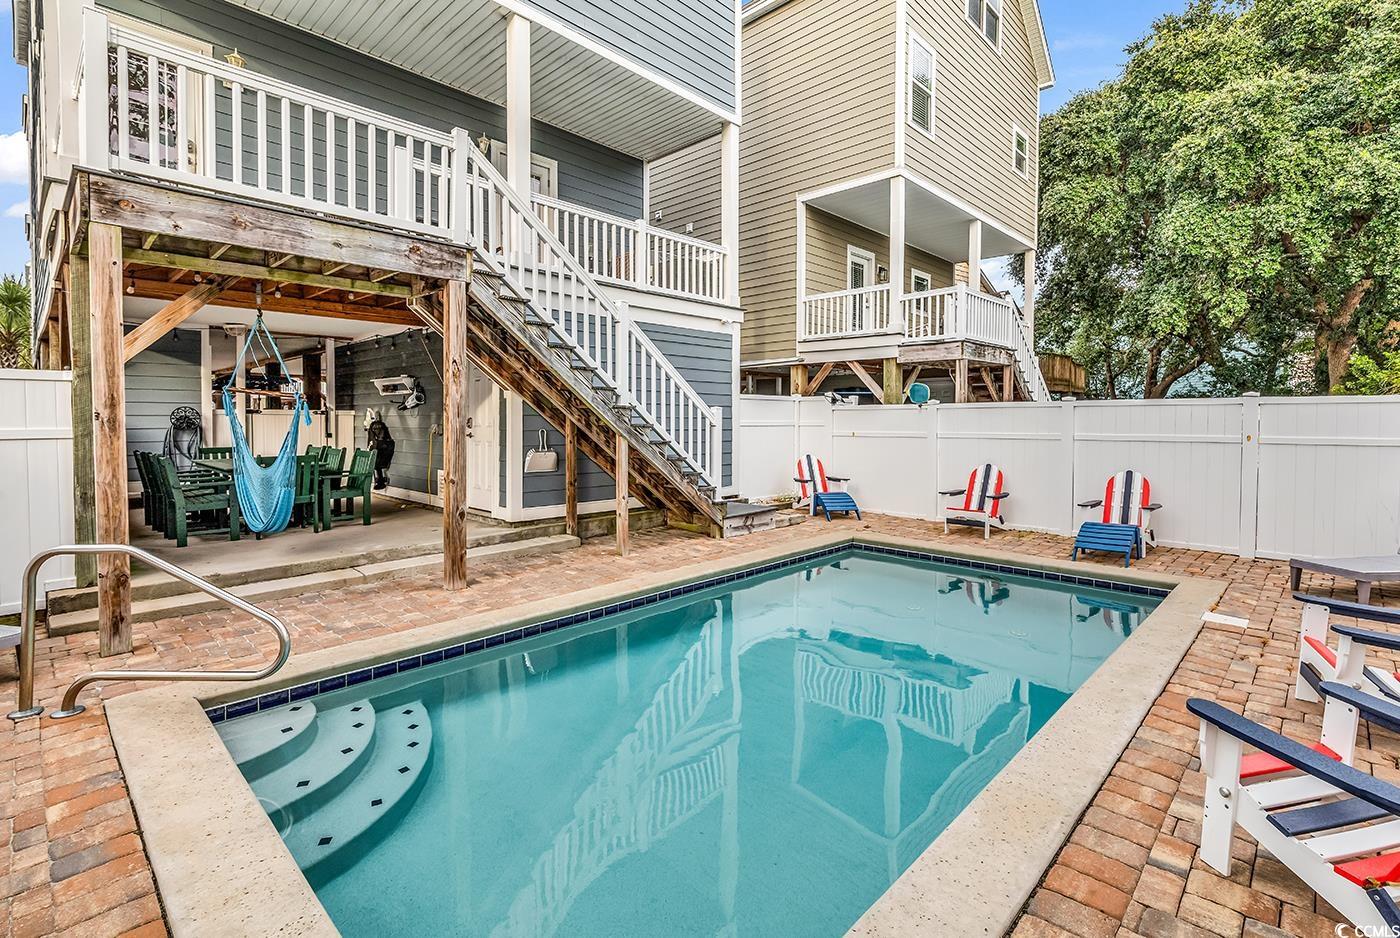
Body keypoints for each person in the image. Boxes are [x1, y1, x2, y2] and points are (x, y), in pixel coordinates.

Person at [365, 408, 395, 490]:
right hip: (383, 446)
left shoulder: (376, 427)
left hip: (383, 446)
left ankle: (381, 480)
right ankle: (380, 479)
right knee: (376, 462)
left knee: (377, 462)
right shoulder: (380, 426)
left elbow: (377, 439)